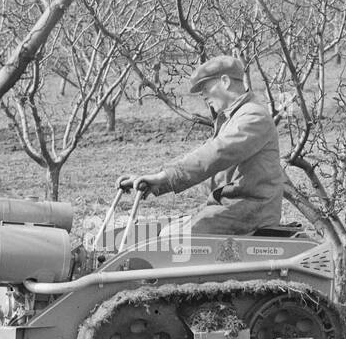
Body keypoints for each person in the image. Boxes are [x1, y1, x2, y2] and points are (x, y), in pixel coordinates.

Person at [120, 55, 283, 235]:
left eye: (205, 88)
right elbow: (207, 164)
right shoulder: (234, 118)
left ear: (225, 81)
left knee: (173, 240)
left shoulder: (253, 116)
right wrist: (157, 181)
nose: (203, 96)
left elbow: (215, 154)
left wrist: (164, 177)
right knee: (164, 232)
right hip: (234, 206)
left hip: (251, 210)